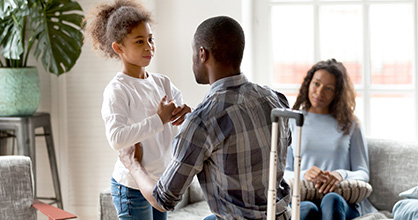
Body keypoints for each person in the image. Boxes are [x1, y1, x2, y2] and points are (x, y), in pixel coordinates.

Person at [118, 16, 292, 220]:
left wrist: (133, 164)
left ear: (202, 53)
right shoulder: (275, 99)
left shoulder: (203, 120)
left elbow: (163, 199)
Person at [84, 1, 191, 219]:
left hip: (160, 183)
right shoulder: (117, 90)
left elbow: (182, 127)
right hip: (131, 188)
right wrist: (159, 119)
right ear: (118, 48)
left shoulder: (163, 83)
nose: (149, 47)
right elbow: (116, 138)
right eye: (139, 41)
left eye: (150, 39)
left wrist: (185, 114)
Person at [284, 59, 377, 220]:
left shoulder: (351, 124)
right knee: (305, 209)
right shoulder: (292, 121)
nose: (320, 92)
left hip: (341, 201)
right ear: (308, 84)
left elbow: (363, 173)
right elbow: (283, 173)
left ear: (337, 93)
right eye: (316, 84)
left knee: (330, 200)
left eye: (329, 88)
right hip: (305, 196)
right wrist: (305, 174)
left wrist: (340, 175)